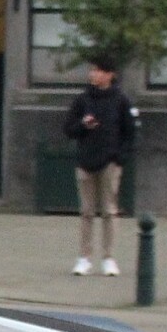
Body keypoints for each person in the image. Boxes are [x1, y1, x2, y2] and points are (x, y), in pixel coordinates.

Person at [63, 55, 139, 277]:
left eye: (98, 71)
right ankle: (84, 257)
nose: (93, 74)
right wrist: (83, 125)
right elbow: (68, 128)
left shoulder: (121, 100)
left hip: (109, 162)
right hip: (85, 161)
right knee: (86, 211)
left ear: (109, 74)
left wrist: (120, 158)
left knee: (108, 211)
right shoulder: (82, 99)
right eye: (92, 70)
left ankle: (108, 257)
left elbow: (130, 131)